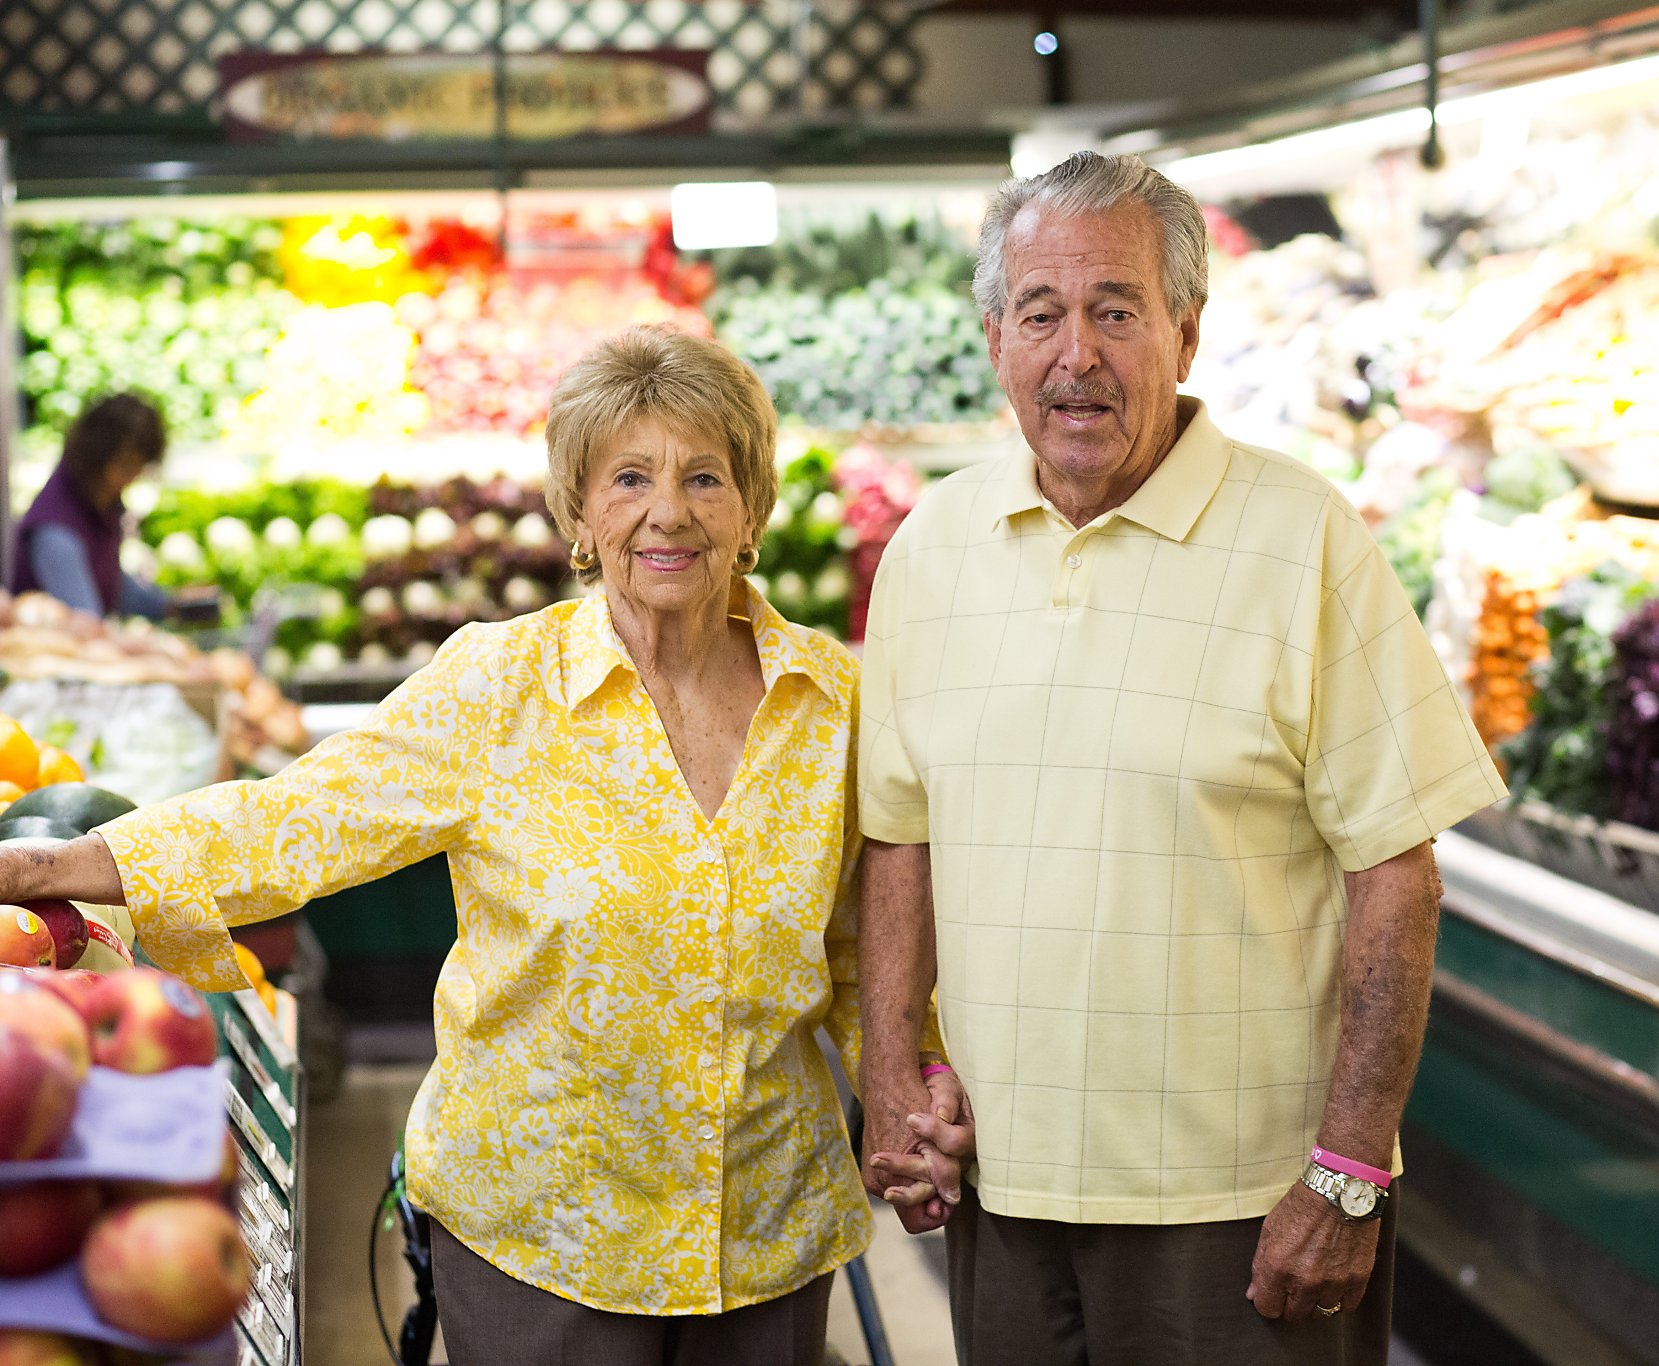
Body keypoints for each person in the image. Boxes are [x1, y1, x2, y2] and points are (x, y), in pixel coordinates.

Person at [0, 327, 964, 1366]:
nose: (668, 511)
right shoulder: (501, 686)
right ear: (580, 513)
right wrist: (51, 865)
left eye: (705, 477)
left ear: (753, 507)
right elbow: (296, 817)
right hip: (539, 1234)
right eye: (629, 477)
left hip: (762, 1229)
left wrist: (916, 1090)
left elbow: (869, 945)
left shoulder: (829, 706)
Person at [856, 152, 1508, 1365]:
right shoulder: (931, 546)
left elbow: (1396, 873)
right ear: (993, 335)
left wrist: (1350, 1172)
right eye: (1041, 314)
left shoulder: (1303, 538)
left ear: (1185, 334)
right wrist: (894, 1071)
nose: (1076, 355)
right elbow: (900, 833)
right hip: (1004, 1185)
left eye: (1117, 311)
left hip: (1243, 1207)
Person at [11, 392, 177, 619]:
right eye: (123, 465)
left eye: (135, 468)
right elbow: (86, 623)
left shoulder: (101, 506)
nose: (124, 478)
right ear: (96, 458)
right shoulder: (55, 532)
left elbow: (109, 585)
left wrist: (170, 604)